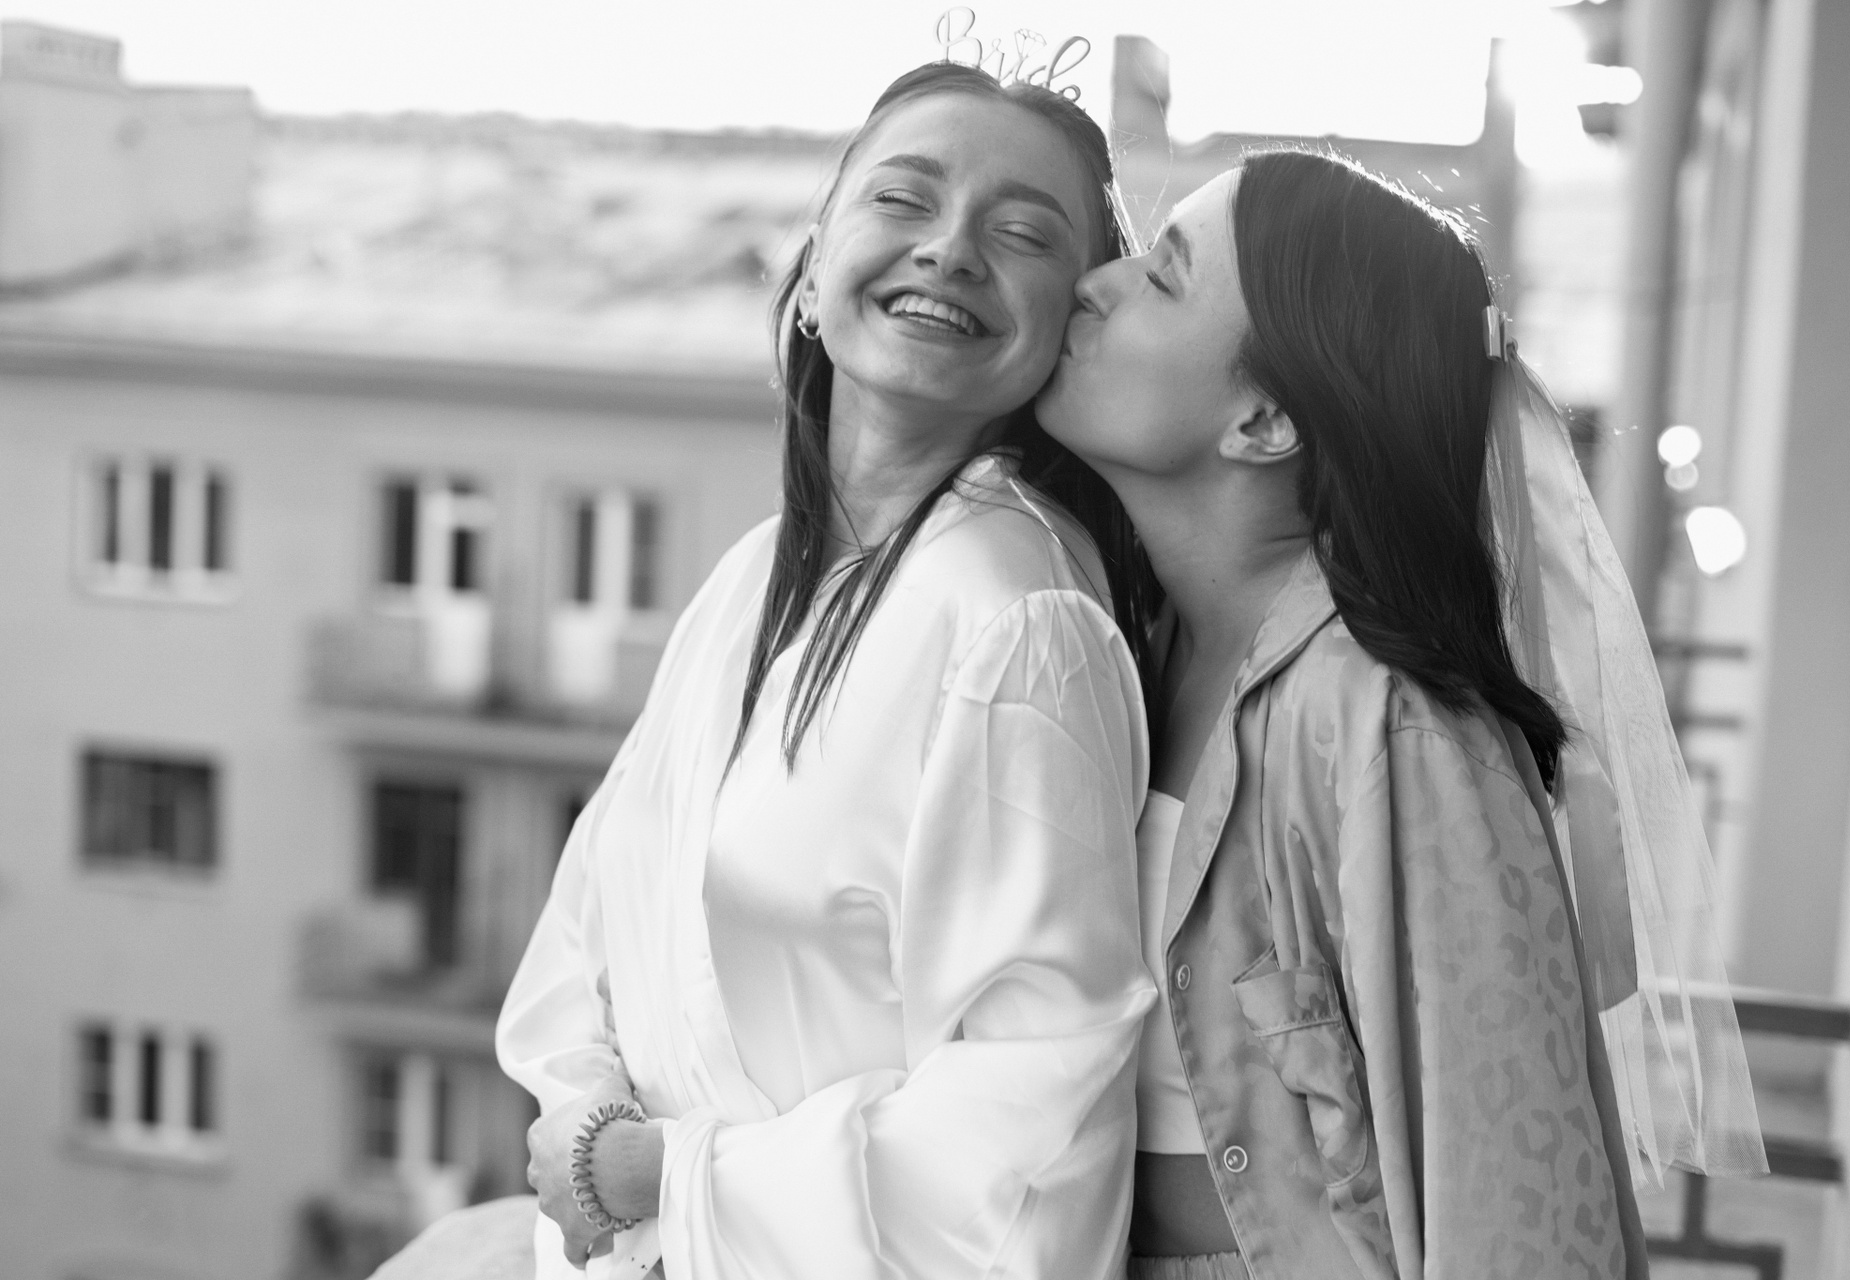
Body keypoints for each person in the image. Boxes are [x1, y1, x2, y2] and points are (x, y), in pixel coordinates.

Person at [1037, 148, 1764, 1280]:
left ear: (1265, 419)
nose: (1095, 283)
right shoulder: (1122, 643)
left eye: (1162, 278)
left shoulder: (1391, 718)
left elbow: (1512, 1191)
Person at [496, 62, 1160, 1280]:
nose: (949, 249)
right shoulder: (750, 580)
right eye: (903, 198)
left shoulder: (1020, 622)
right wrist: (592, 1136)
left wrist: (662, 1177)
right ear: (810, 275)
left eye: (1022, 233)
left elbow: (1037, 1125)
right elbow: (594, 916)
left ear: (1070, 329)